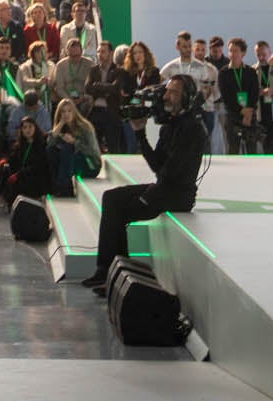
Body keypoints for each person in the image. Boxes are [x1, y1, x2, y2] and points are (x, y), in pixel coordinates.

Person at [82, 75, 207, 293]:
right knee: (111, 198)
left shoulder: (192, 129)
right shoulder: (170, 126)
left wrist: (150, 194)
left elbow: (171, 173)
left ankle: (116, 276)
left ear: (186, 97)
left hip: (178, 195)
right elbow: (157, 166)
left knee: (120, 212)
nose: (166, 96)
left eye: (174, 92)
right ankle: (106, 270)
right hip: (163, 188)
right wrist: (140, 133)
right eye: (167, 91)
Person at [47, 99, 102, 195]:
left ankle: (63, 187)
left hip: (90, 163)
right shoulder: (61, 128)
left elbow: (92, 151)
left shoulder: (84, 127)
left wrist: (75, 142)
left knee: (68, 148)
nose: (66, 114)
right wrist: (60, 124)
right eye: (63, 112)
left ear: (74, 112)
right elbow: (49, 144)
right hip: (72, 163)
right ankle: (57, 186)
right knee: (51, 151)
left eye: (69, 111)